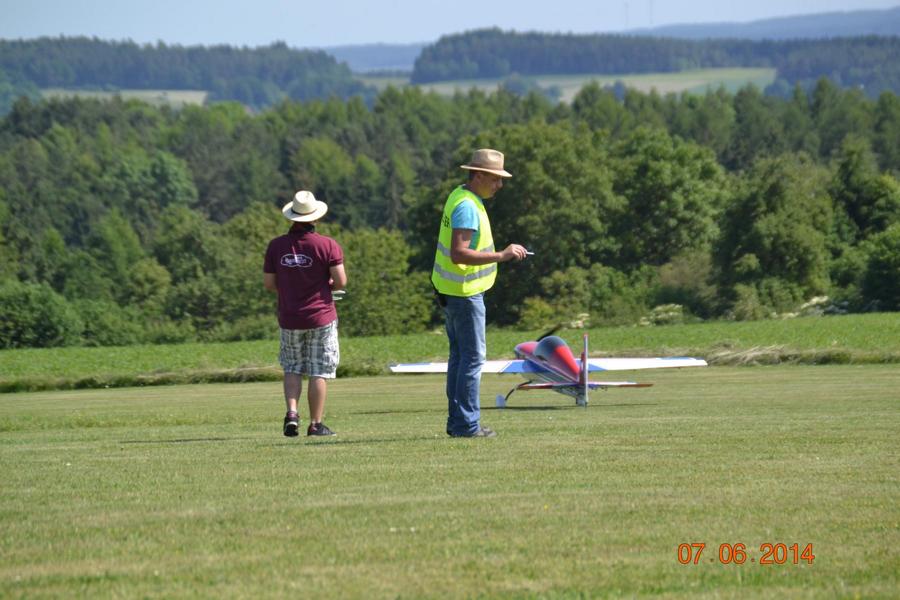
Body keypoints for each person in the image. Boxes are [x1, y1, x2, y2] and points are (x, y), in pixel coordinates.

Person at [432, 149, 528, 438]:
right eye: (496, 178)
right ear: (479, 175)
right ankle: (466, 425)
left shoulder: (459, 196)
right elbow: (459, 253)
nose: (500, 184)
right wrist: (502, 255)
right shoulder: (467, 206)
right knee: (472, 360)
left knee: (460, 358)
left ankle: (458, 422)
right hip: (465, 293)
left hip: (452, 291)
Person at [264, 190, 347, 437]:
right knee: (319, 369)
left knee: (292, 367)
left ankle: (292, 413)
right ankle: (315, 424)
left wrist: (290, 288)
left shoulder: (276, 246)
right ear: (315, 217)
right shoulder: (328, 245)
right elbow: (341, 281)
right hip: (321, 316)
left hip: (289, 317)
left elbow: (269, 284)